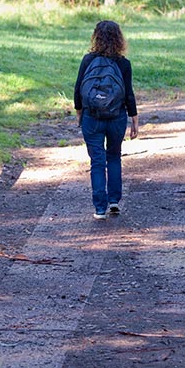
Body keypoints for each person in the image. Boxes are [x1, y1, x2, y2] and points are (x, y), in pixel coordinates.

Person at [74, 20, 139, 220]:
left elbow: (78, 90)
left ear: (96, 37)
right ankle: (114, 201)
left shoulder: (87, 60)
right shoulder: (123, 63)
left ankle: (99, 209)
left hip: (91, 117)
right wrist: (134, 119)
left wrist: (80, 113)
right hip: (116, 117)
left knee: (97, 162)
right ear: (119, 38)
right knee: (113, 156)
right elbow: (128, 93)